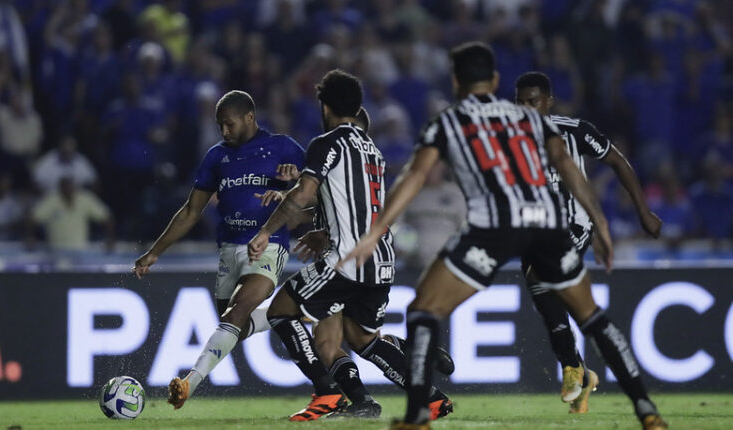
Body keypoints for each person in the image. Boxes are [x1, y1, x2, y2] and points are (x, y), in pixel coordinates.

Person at [339, 42, 667, 430]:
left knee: (424, 310)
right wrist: (602, 224)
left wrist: (377, 230)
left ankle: (417, 416)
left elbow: (416, 175)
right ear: (494, 80)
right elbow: (565, 162)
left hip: (493, 226)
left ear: (456, 81)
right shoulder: (531, 118)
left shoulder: (450, 121)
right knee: (592, 317)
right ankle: (646, 409)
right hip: (547, 224)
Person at [248, 70, 452, 421]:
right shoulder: (372, 150)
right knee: (362, 339)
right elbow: (352, 203)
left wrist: (267, 230)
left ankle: (327, 394)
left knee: (281, 310)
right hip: (381, 259)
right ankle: (431, 398)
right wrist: (322, 225)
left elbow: (307, 194)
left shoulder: (326, 143)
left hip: (346, 259)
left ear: (324, 106)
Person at [131, 90, 305, 409]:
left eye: (229, 124)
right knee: (232, 322)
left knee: (237, 310)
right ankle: (294, 310)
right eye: (219, 126)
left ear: (249, 118)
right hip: (228, 250)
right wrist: (155, 252)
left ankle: (188, 383)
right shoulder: (216, 156)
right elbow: (190, 211)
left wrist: (294, 185)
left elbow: (319, 193)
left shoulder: (284, 148)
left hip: (268, 245)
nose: (224, 131)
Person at [514, 71, 663, 413]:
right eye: (520, 102)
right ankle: (582, 374)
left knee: (542, 277)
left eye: (532, 102)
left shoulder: (573, 131)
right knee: (548, 297)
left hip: (573, 224)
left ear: (548, 101)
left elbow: (617, 161)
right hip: (530, 231)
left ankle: (571, 368)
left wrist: (643, 210)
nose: (525, 109)